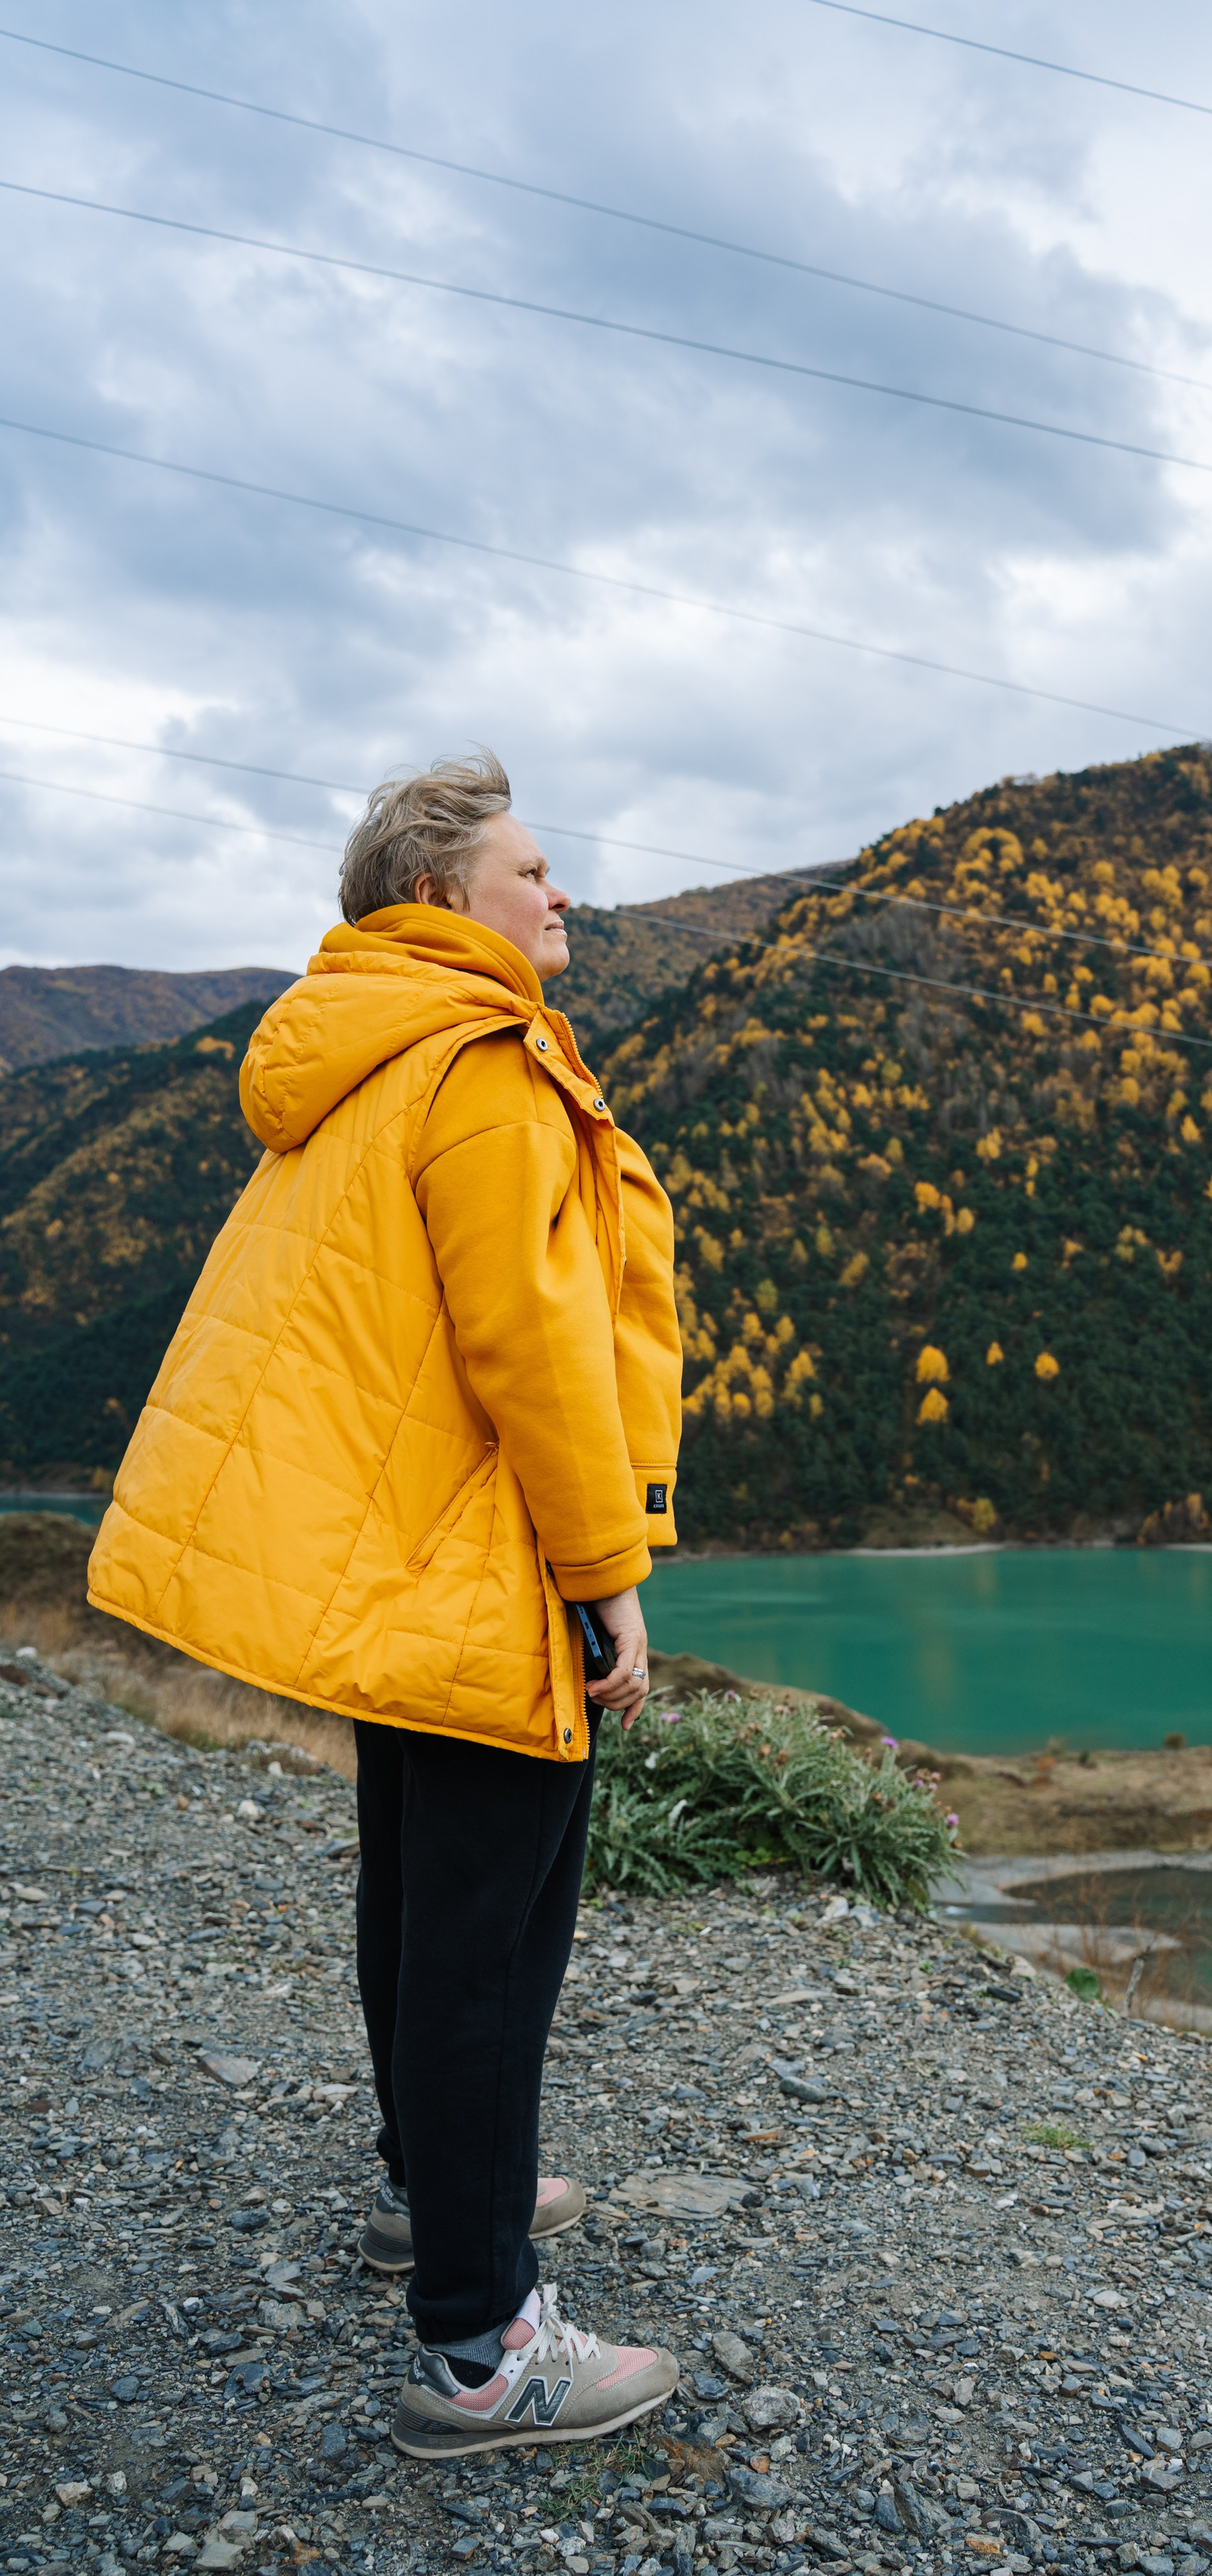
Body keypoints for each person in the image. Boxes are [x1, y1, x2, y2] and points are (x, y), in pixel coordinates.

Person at [88, 751, 683, 2458]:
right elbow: (538, 1353)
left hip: (396, 1556)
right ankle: (481, 2351)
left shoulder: (363, 1055)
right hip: (481, 1566)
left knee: (421, 1903)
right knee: (491, 1947)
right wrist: (605, 1578)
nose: (559, 893)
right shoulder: (484, 1067)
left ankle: (437, 2201)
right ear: (444, 902)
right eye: (531, 871)